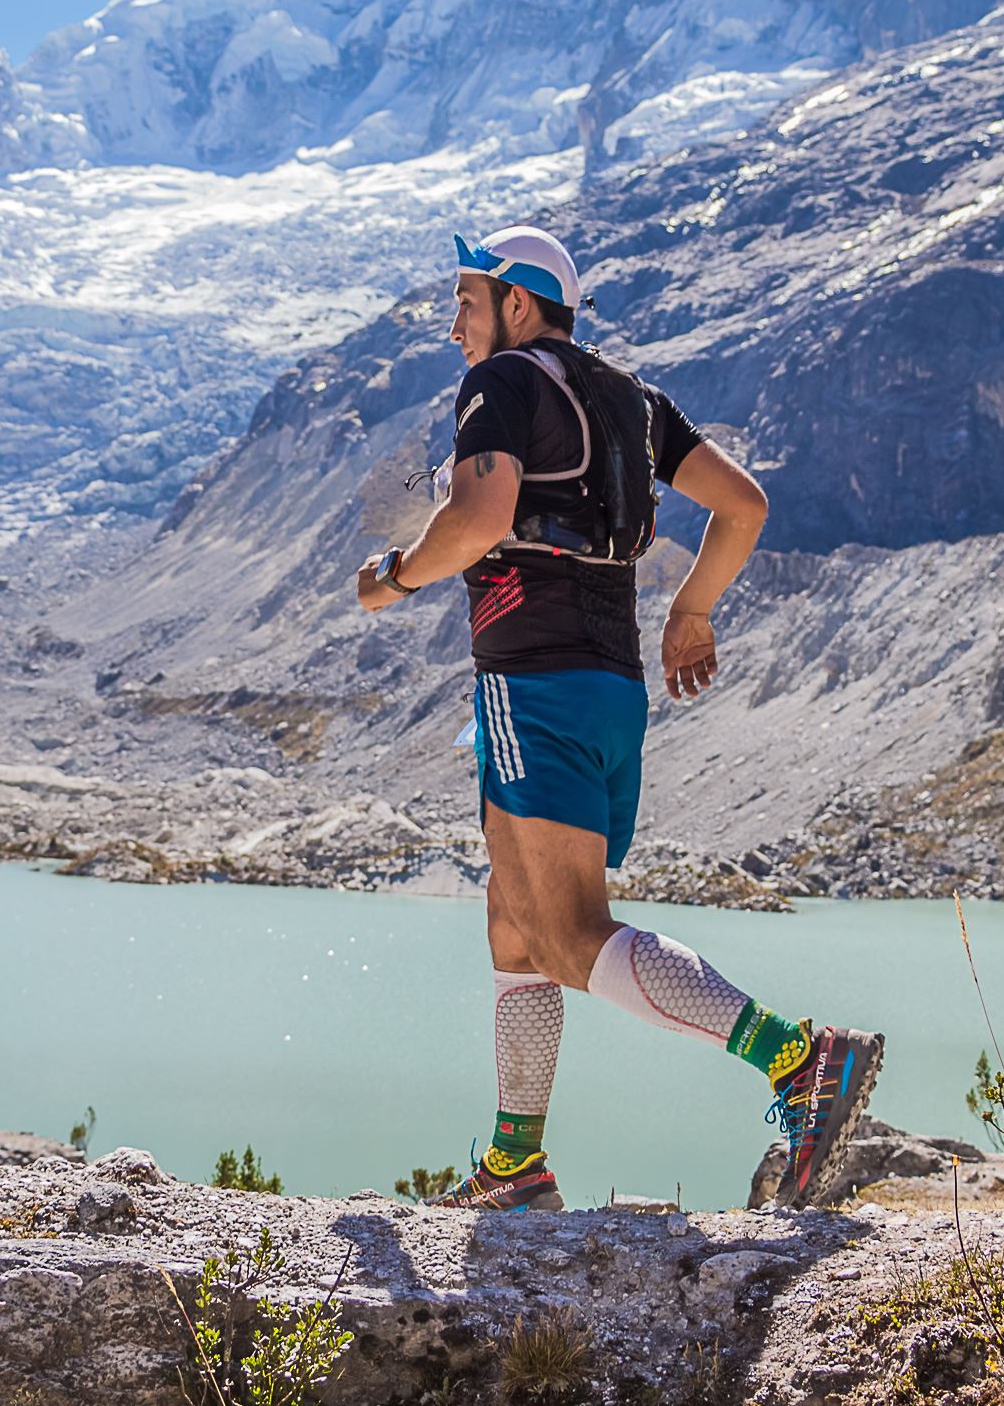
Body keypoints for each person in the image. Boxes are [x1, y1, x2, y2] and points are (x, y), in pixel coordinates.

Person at [355, 224, 882, 1212]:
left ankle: (799, 1057)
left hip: (531, 682)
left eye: (465, 302)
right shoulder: (634, 402)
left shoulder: (502, 383)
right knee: (512, 925)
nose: (453, 324)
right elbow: (743, 505)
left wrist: (390, 578)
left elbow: (474, 521)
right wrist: (690, 610)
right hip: (611, 689)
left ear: (517, 304)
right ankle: (515, 1168)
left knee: (564, 934)